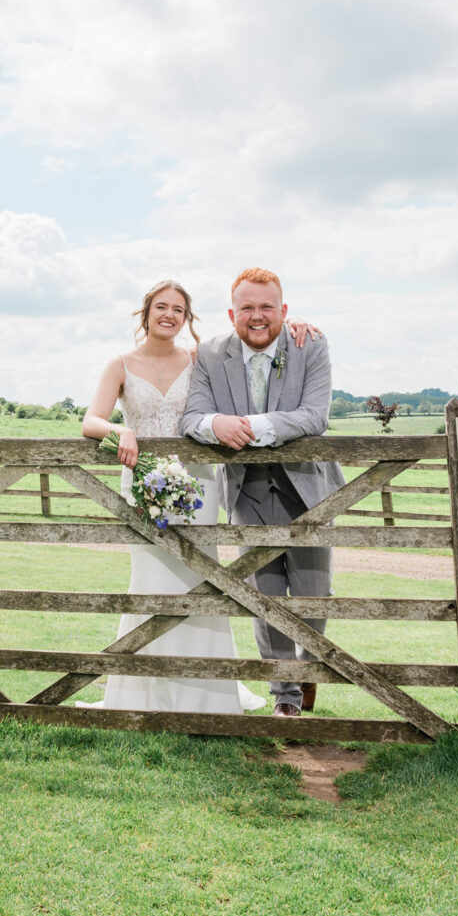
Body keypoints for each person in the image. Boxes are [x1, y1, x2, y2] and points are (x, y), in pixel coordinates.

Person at [78, 278, 318, 714]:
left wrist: (291, 322)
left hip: (200, 486)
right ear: (145, 312)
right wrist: (120, 429)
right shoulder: (121, 364)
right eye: (161, 307)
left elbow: (252, 332)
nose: (169, 315)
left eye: (179, 310)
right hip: (145, 484)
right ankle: (146, 689)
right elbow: (90, 421)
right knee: (151, 581)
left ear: (187, 319)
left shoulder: (200, 357)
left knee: (202, 583)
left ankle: (207, 691)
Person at [180, 267, 344, 717]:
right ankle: (285, 700)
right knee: (263, 600)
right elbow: (191, 416)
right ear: (233, 313)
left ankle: (308, 674)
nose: (257, 317)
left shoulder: (311, 344)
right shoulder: (210, 354)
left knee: (314, 596)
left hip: (310, 488)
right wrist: (216, 424)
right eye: (247, 308)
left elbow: (314, 416)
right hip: (247, 494)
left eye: (266, 307)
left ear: (283, 310)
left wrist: (253, 427)